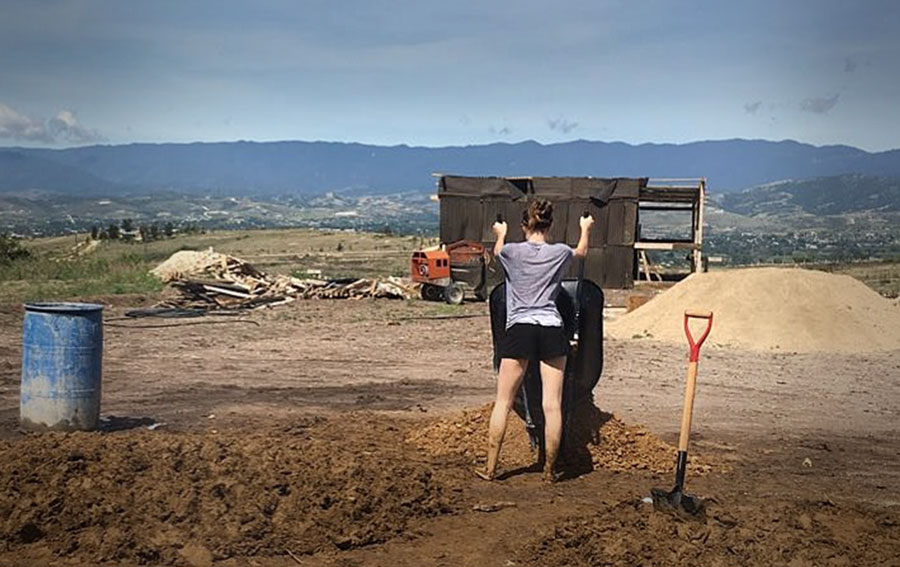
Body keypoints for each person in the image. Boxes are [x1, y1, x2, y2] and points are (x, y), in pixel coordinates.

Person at [476, 199, 593, 482]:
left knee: (503, 401)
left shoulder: (512, 251)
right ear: (549, 224)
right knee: (552, 405)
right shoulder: (560, 252)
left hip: (519, 328)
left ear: (523, 225)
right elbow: (582, 252)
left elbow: (497, 252)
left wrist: (500, 233)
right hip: (552, 328)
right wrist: (585, 228)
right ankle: (550, 470)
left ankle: (491, 469)